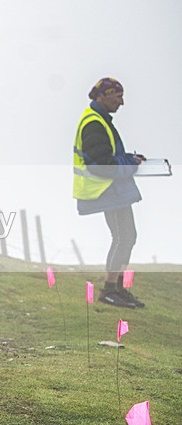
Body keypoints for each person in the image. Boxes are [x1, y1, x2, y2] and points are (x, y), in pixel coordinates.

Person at [73, 77, 145, 308]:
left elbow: (107, 157)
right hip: (106, 190)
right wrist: (130, 164)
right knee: (124, 237)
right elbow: (103, 165)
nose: (122, 102)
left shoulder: (99, 119)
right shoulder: (94, 123)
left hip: (112, 190)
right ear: (104, 95)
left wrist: (129, 158)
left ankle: (118, 288)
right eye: (118, 96)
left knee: (127, 237)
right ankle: (110, 290)